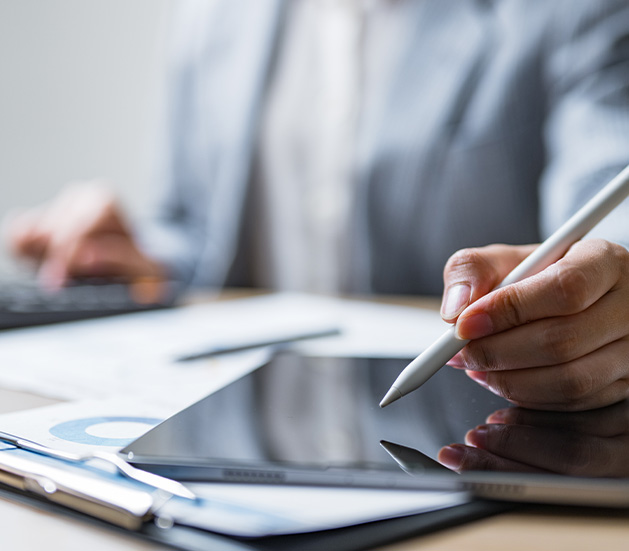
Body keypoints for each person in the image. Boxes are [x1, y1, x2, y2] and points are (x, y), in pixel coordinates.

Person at [4, 0, 629, 412]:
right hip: (237, 425)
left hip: (466, 435)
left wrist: (609, 278)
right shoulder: (211, 15)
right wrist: (140, 258)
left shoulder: (574, 13)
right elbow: (199, 232)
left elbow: (609, 213)